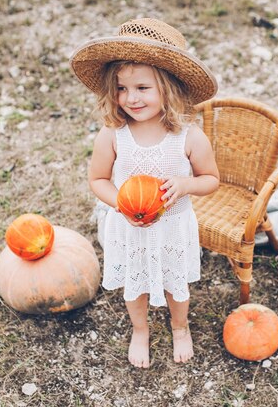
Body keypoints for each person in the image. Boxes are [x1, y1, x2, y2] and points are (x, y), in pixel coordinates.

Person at [70, 18, 219, 368]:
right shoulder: (113, 134)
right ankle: (140, 329)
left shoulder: (188, 136)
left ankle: (179, 326)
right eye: (121, 89)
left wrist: (185, 185)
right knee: (134, 285)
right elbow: (98, 180)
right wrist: (120, 203)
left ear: (168, 88)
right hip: (129, 227)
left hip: (172, 226)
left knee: (175, 281)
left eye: (142, 88)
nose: (130, 98)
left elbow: (211, 178)